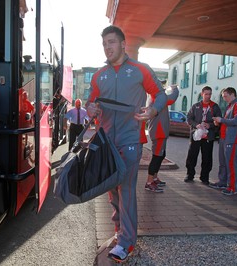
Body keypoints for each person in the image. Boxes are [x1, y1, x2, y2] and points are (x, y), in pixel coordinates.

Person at [86, 25, 167, 263]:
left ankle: (127, 242)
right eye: (104, 44)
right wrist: (91, 108)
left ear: (123, 44)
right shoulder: (99, 74)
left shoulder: (140, 70)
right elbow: (92, 102)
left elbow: (160, 94)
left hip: (131, 139)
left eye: (111, 42)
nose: (107, 47)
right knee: (112, 187)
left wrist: (153, 109)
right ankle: (119, 230)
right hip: (106, 141)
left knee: (127, 189)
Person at [210, 87, 237, 196]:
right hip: (224, 138)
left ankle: (232, 187)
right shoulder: (229, 106)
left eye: (225, 96)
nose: (224, 98)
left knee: (231, 163)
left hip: (232, 139)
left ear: (232, 94)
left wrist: (221, 120)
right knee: (223, 162)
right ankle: (222, 182)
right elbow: (228, 122)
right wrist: (219, 123)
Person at [184, 86, 222, 185]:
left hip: (208, 137)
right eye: (206, 94)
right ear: (202, 94)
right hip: (196, 136)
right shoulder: (196, 106)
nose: (208, 96)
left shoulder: (215, 106)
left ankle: (204, 177)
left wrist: (210, 125)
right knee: (192, 156)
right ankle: (190, 175)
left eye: (210, 94)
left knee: (207, 158)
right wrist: (196, 125)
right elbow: (189, 118)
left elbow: (219, 120)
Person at [145, 83, 179, 192]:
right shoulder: (157, 97)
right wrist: (175, 88)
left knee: (161, 155)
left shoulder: (156, 97)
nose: (163, 88)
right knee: (156, 157)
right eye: (161, 86)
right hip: (158, 132)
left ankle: (154, 178)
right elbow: (172, 98)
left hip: (160, 132)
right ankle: (149, 182)